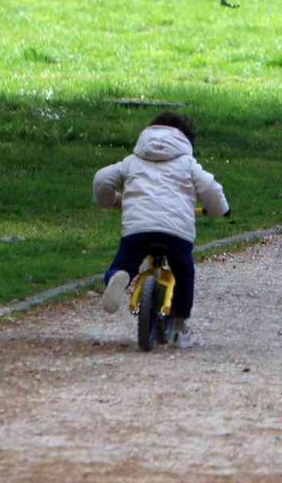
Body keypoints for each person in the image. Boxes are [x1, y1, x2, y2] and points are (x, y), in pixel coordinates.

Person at [94, 112, 230, 347]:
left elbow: (102, 179)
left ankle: (118, 277)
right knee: (184, 273)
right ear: (185, 140)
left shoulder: (132, 161)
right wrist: (219, 210)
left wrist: (114, 200)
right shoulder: (187, 163)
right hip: (176, 231)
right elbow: (210, 188)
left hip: (138, 227)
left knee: (124, 262)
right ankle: (179, 325)